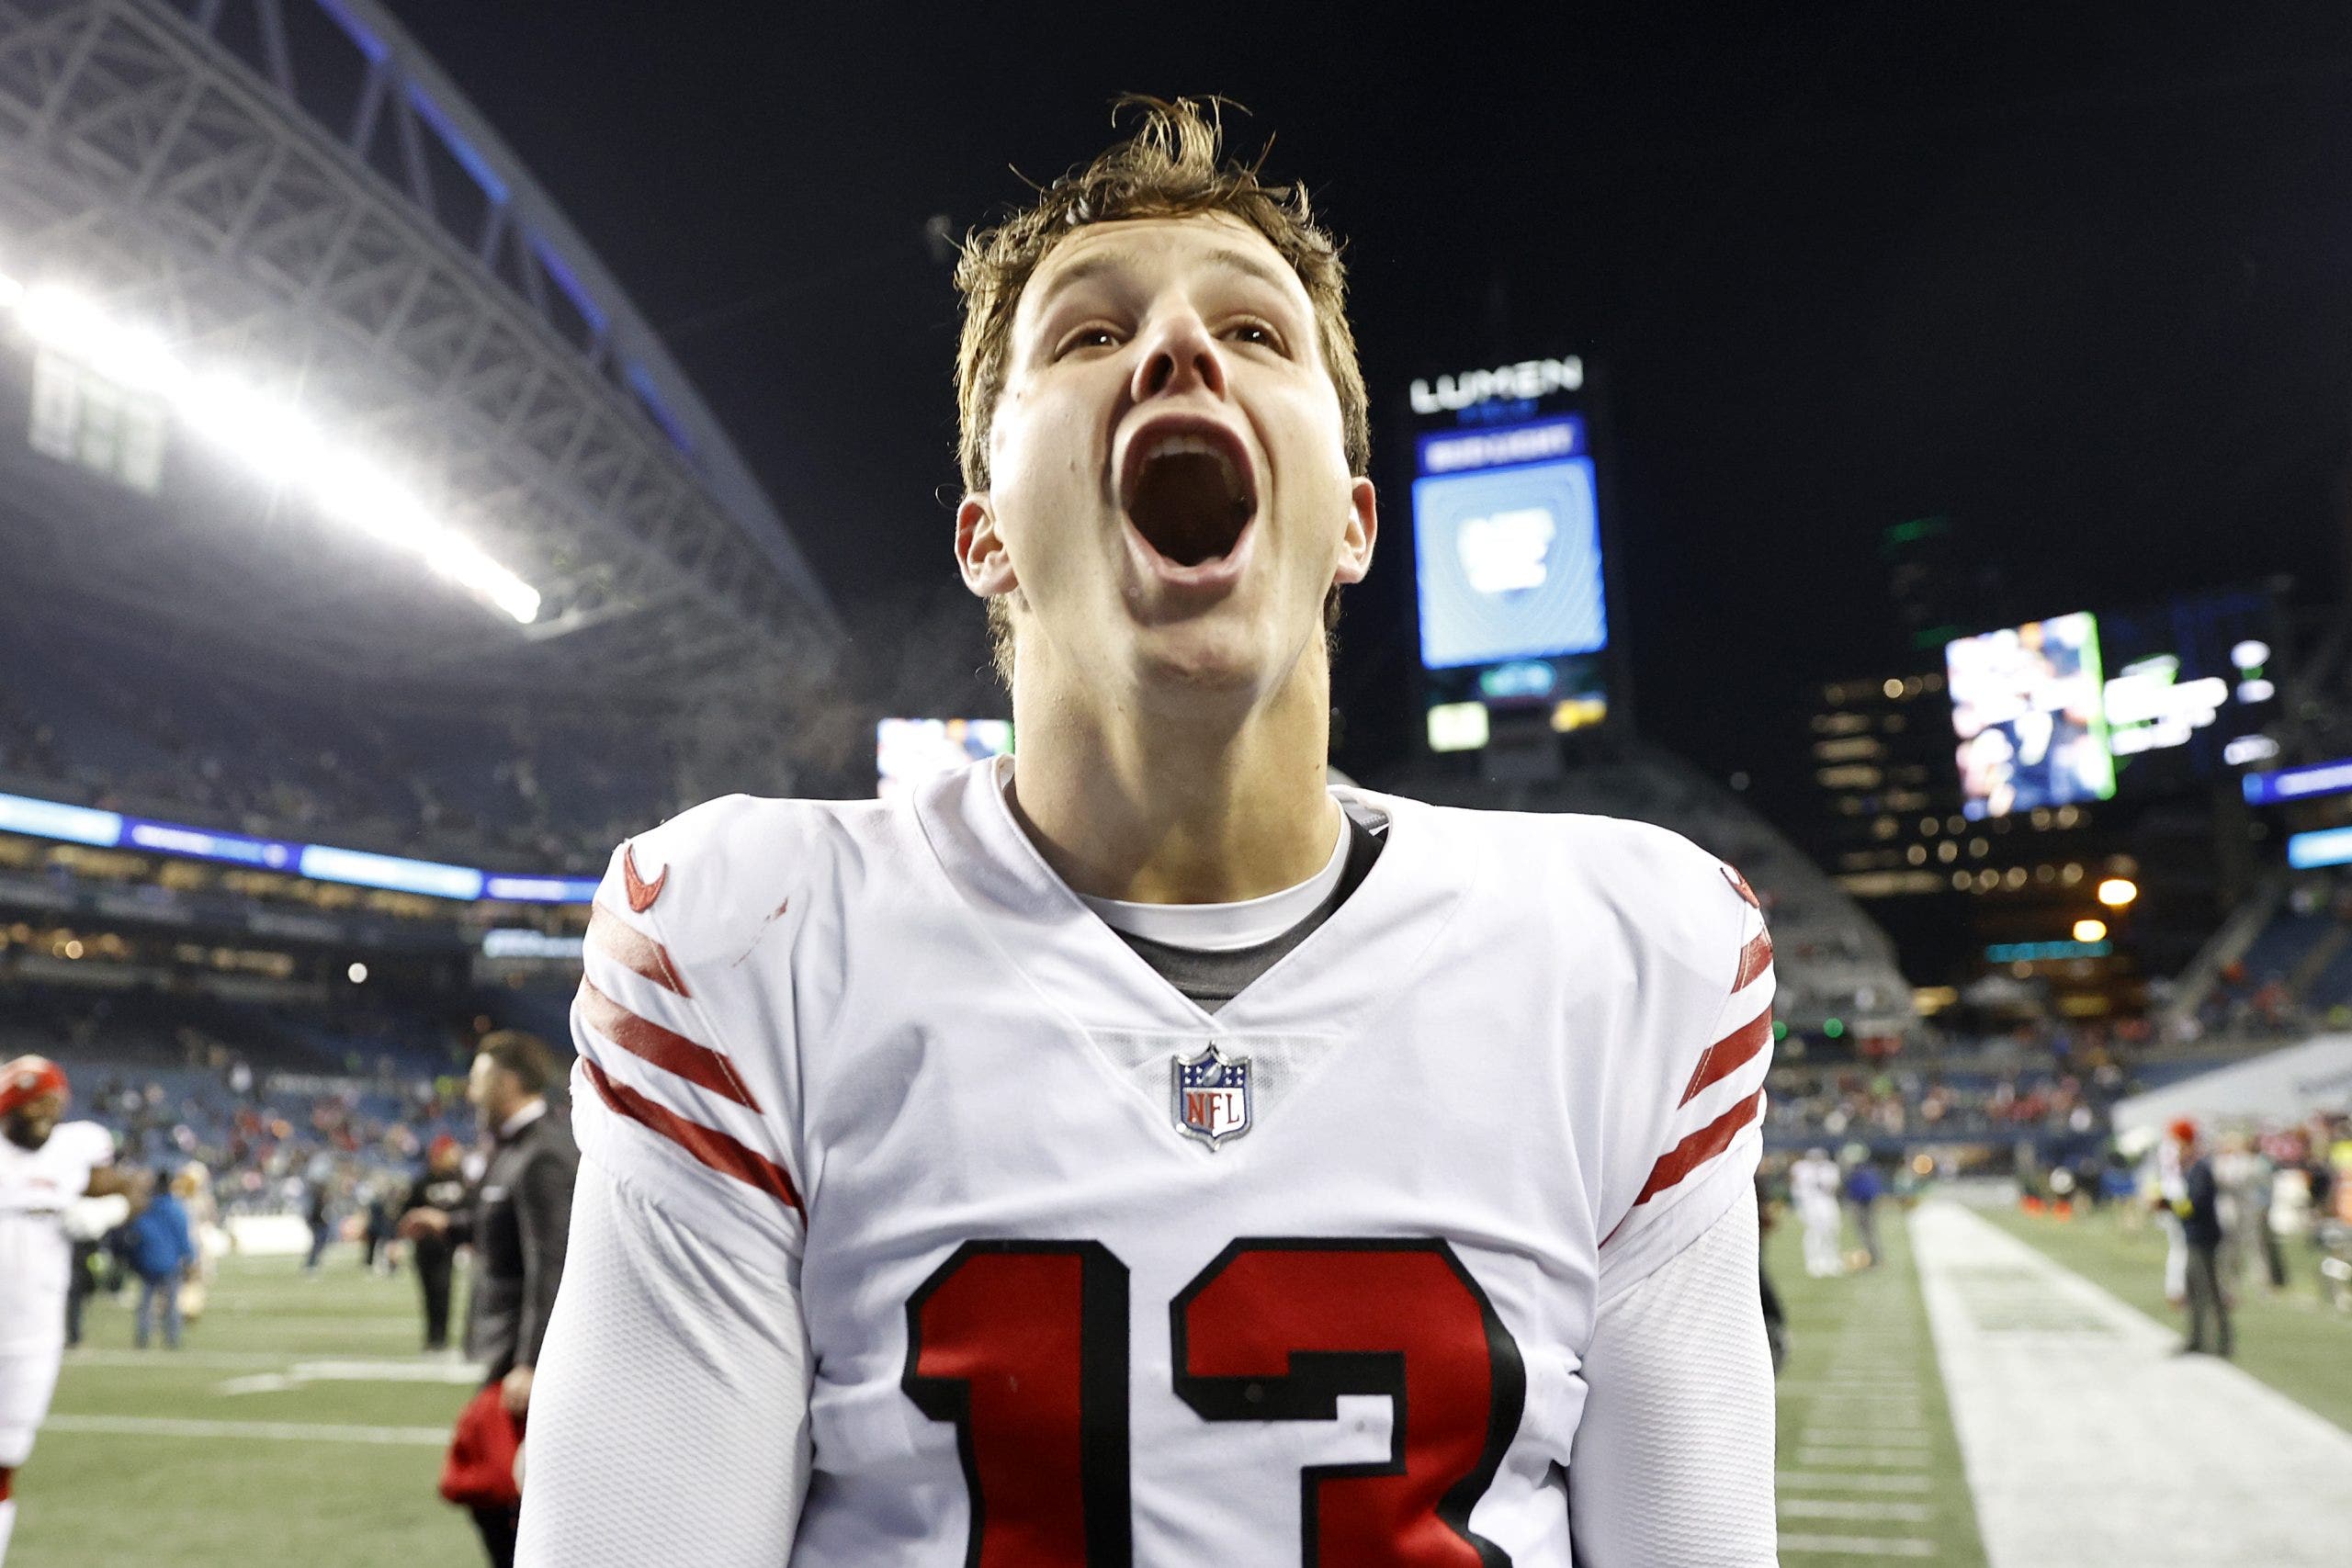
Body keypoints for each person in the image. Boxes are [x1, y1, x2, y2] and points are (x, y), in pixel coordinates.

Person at [518, 98, 1781, 1566]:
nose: (1180, 347)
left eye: (1253, 330)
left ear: (1356, 521)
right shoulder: (754, 939)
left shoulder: (1629, 957)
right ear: (986, 532)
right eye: (1089, 333)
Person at [400, 1033, 577, 1568]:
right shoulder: (510, 1149)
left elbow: (551, 1262)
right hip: (506, 1351)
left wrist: (531, 1360)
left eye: (478, 1080)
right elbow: (495, 1223)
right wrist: (449, 1226)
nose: (471, 1092)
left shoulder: (543, 1153)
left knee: (499, 1489)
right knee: (496, 1490)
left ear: (507, 1082)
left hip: (520, 1356)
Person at [0, 1056, 132, 1564]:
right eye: (34, 1103)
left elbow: (133, 1188)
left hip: (32, 1335)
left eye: (53, 1103)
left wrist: (109, 1210)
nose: (45, 1113)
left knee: (6, 1457)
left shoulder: (76, 1150)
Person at [400, 1135, 469, 1353]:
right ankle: (432, 1337)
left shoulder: (460, 1180)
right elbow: (406, 1211)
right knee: (428, 1292)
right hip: (425, 1246)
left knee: (444, 1290)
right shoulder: (424, 1181)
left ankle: (442, 1338)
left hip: (447, 1245)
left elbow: (469, 1209)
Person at [124, 1168, 196, 1351]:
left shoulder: (146, 1208)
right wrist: (190, 1258)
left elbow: (136, 1232)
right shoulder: (177, 1209)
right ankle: (172, 1338)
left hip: (148, 1261)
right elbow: (183, 1237)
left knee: (146, 1303)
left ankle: (143, 1337)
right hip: (170, 1263)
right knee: (171, 1303)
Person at [2177, 1124, 2233, 1357]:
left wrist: (2167, 1205)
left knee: (2209, 1290)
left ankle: (2222, 1341)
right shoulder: (2194, 1168)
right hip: (2196, 1236)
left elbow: (2196, 1203)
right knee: (2194, 1289)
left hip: (2203, 1238)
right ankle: (2197, 1338)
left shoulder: (2200, 1169)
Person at [1792, 1146, 1845, 1278]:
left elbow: (1834, 1187)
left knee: (1831, 1231)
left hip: (1827, 1203)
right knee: (1814, 1232)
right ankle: (1814, 1261)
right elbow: (1796, 1187)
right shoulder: (1801, 1168)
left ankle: (1831, 1260)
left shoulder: (1830, 1168)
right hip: (1810, 1203)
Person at [1844, 1154, 1884, 1269]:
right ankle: (1874, 1259)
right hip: (1867, 1204)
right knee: (1870, 1233)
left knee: (1866, 1234)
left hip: (1861, 1205)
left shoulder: (1856, 1174)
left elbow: (1852, 1191)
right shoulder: (1869, 1172)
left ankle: (1872, 1260)